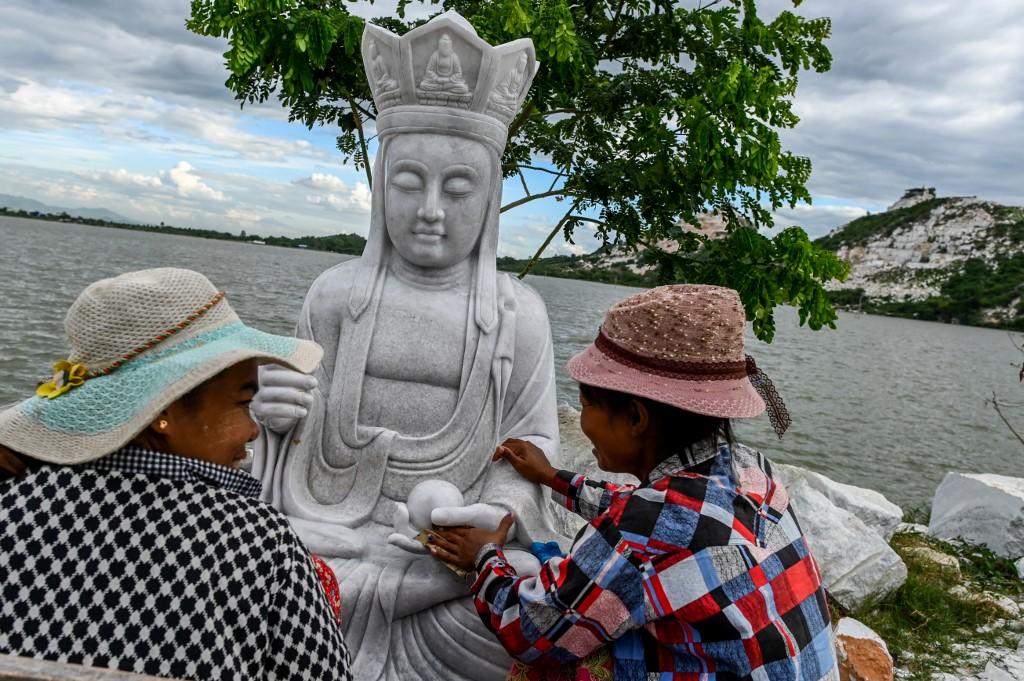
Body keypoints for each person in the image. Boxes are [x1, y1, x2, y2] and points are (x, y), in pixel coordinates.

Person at [251, 13, 560, 680]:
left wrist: (493, 517)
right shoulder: (333, 295)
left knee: (521, 596)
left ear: (490, 195)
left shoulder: (519, 315)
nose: (430, 209)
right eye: (409, 181)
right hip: (327, 524)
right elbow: (285, 441)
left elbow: (533, 450)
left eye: (457, 188)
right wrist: (273, 417)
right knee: (254, 554)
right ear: (379, 184)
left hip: (444, 556)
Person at [429, 284, 840, 680]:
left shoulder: (644, 528)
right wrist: (552, 478)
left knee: (550, 665)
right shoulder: (750, 469)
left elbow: (532, 631)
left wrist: (484, 559)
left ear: (636, 419)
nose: (582, 417)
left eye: (587, 404)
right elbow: (660, 514)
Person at [0, 267, 353, 681]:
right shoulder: (255, 539)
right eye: (243, 403)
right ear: (162, 413)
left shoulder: (12, 503)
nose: (253, 429)